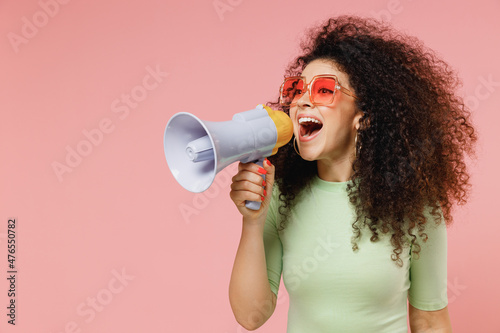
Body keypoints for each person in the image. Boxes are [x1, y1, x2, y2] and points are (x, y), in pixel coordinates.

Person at [228, 16, 476, 332]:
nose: (302, 100)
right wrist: (252, 222)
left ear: (364, 116)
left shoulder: (413, 204)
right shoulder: (281, 195)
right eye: (296, 89)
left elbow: (429, 319)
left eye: (323, 90)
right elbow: (251, 316)